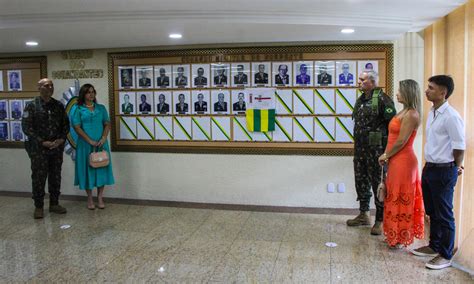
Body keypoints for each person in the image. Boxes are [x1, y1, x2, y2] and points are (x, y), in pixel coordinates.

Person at [411, 75, 465, 270]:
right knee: (432, 211)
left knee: (444, 214)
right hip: (430, 168)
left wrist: (454, 167)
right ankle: (434, 246)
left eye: (431, 88)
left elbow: (459, 146)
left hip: (444, 170)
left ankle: (446, 254)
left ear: (443, 92)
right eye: (428, 87)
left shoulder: (451, 116)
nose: (427, 90)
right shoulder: (433, 112)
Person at [378, 79, 424, 249]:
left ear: (408, 93)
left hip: (404, 161)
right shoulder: (403, 112)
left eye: (399, 90)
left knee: (400, 196)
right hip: (396, 159)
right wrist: (388, 156)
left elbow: (402, 141)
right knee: (392, 196)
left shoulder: (412, 114)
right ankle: (393, 233)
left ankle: (399, 236)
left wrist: (385, 155)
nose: (396, 93)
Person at [347, 71, 396, 235]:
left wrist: (387, 152)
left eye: (362, 79)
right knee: (361, 181)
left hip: (376, 152)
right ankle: (364, 214)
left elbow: (393, 126)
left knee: (378, 184)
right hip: (360, 150)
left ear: (373, 82)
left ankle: (380, 220)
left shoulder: (383, 99)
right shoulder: (361, 100)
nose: (359, 82)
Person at [22, 78, 69, 219]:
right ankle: (39, 206)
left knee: (55, 176)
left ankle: (54, 203)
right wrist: (42, 142)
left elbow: (65, 125)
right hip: (39, 150)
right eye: (46, 85)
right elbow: (26, 128)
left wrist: (61, 139)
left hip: (56, 148)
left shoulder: (58, 105)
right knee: (38, 177)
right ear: (39, 88)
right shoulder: (31, 106)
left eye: (51, 85)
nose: (50, 88)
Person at [71, 84, 115, 210]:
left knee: (101, 169)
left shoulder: (101, 108)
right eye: (88, 92)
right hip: (85, 145)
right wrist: (89, 140)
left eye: (92, 92)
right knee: (87, 171)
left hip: (101, 144)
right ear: (83, 95)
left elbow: (107, 123)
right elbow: (77, 127)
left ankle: (100, 197)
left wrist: (104, 138)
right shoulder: (78, 109)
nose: (91, 94)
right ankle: (89, 198)